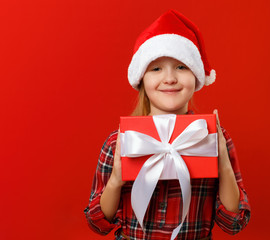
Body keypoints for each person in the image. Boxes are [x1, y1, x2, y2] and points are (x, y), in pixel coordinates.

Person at [84, 9, 251, 240]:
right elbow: (98, 222)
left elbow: (233, 222)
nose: (170, 78)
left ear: (196, 75)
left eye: (181, 67)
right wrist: (116, 179)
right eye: (156, 68)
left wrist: (223, 165)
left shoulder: (213, 137)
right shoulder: (120, 141)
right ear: (142, 79)